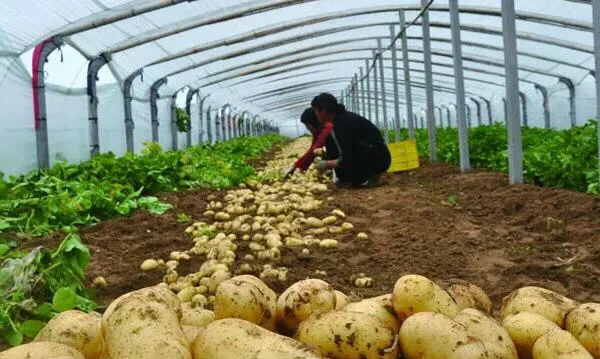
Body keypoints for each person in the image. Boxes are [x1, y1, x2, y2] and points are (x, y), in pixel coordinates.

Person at [311, 93, 391, 187]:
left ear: (324, 110)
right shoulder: (340, 119)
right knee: (333, 149)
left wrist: (326, 164)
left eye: (316, 111)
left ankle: (366, 177)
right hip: (377, 155)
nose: (315, 114)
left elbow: (347, 157)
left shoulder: (343, 124)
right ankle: (354, 178)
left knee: (343, 159)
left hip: (377, 158)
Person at [284, 108, 333, 178]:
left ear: (311, 124)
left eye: (307, 124)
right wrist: (298, 165)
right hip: (338, 156)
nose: (307, 127)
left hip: (344, 159)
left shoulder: (326, 129)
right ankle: (330, 168)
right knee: (320, 159)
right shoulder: (320, 130)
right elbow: (312, 148)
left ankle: (335, 170)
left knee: (320, 162)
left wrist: (295, 165)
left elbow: (313, 150)